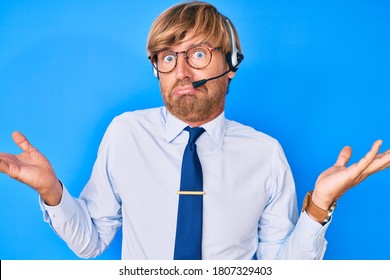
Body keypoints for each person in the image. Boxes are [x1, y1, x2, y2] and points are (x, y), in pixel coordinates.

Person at [0, 1, 390, 260]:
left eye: (198, 54)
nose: (182, 72)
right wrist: (52, 192)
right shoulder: (125, 134)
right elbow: (91, 243)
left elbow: (280, 269)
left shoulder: (265, 154)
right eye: (168, 58)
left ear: (232, 62)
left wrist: (318, 206)